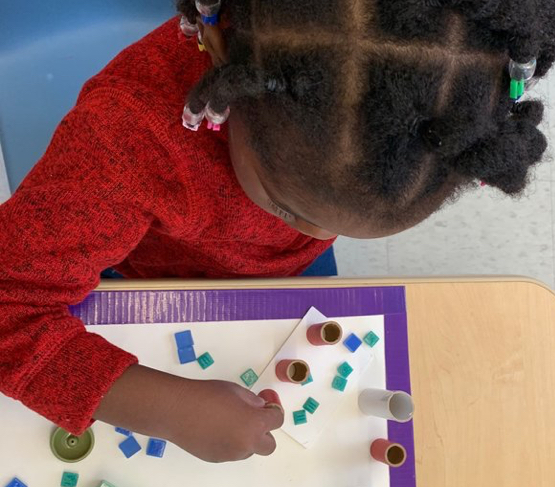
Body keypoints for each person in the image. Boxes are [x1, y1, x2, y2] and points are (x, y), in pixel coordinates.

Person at [0, 0, 553, 463]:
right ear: (229, 97)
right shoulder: (128, 137)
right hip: (139, 271)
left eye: (341, 229)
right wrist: (163, 407)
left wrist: (300, 234)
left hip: (269, 279)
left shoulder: (426, 122)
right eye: (288, 208)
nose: (313, 232)